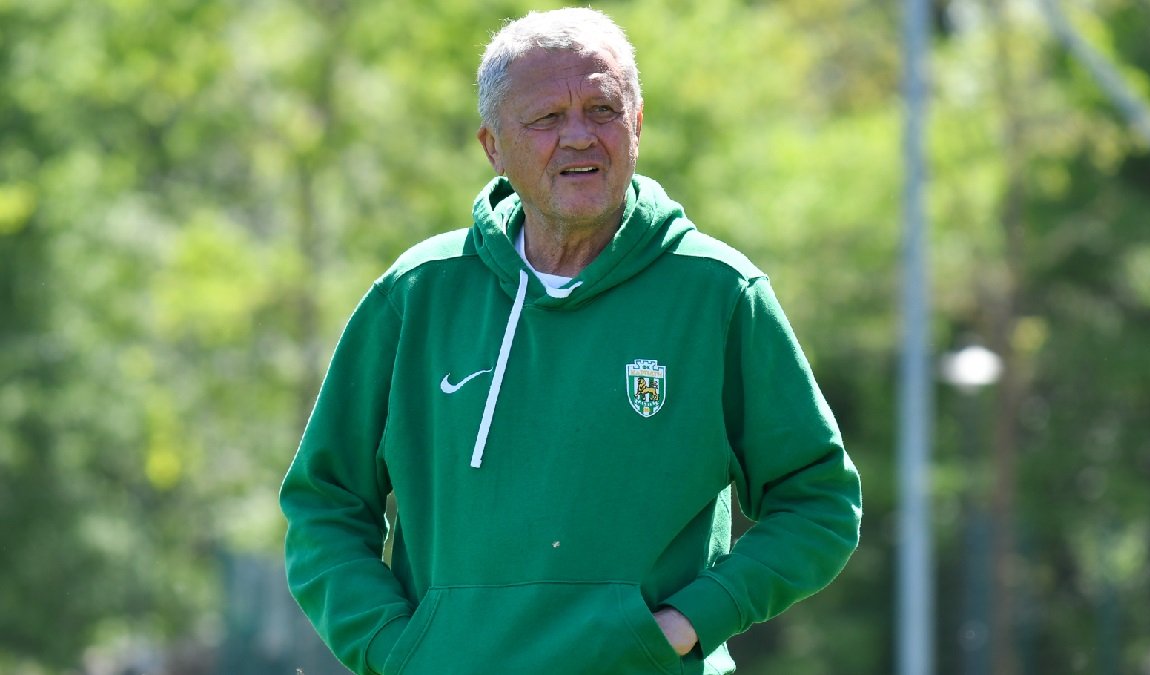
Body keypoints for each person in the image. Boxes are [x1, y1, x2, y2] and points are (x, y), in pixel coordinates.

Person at [280, 7, 861, 675]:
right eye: (547, 118)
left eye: (602, 109)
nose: (579, 136)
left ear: (636, 124)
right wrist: (396, 649)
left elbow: (819, 503)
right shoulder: (416, 295)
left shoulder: (718, 293)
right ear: (493, 146)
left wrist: (686, 624)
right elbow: (324, 504)